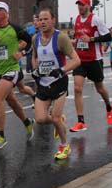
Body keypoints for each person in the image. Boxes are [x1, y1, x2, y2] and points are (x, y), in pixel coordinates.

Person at [0, 1, 34, 149]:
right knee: (12, 101)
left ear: (6, 13)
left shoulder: (16, 29)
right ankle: (27, 122)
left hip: (12, 68)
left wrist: (21, 53)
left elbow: (29, 43)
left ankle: (1, 136)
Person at [31, 8, 80, 160]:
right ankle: (59, 120)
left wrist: (62, 70)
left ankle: (65, 146)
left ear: (53, 20)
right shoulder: (35, 38)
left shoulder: (61, 38)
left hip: (59, 82)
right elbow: (34, 57)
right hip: (43, 83)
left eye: (46, 19)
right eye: (40, 19)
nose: (43, 22)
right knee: (40, 119)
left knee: (55, 118)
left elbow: (76, 60)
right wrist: (35, 70)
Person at [69, 0, 112, 132]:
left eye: (82, 5)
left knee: (99, 88)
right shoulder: (76, 20)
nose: (80, 7)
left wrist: (91, 39)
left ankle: (108, 106)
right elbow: (77, 37)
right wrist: (75, 42)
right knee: (77, 89)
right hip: (80, 60)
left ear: (88, 6)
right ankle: (81, 121)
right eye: (78, 5)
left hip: (94, 59)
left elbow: (108, 37)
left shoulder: (96, 19)